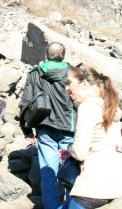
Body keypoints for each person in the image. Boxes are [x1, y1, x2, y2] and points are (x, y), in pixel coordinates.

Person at [59, 64, 122, 209]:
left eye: (69, 83)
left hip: (94, 186)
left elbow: (80, 153)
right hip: (119, 183)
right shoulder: (108, 106)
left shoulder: (87, 107)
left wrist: (69, 148)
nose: (66, 88)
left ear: (84, 84)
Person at [18, 42, 75, 209]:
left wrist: (26, 129)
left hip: (45, 127)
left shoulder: (35, 73)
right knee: (72, 173)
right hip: (69, 128)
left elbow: (26, 102)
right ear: (63, 55)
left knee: (48, 174)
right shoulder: (73, 73)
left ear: (47, 55)